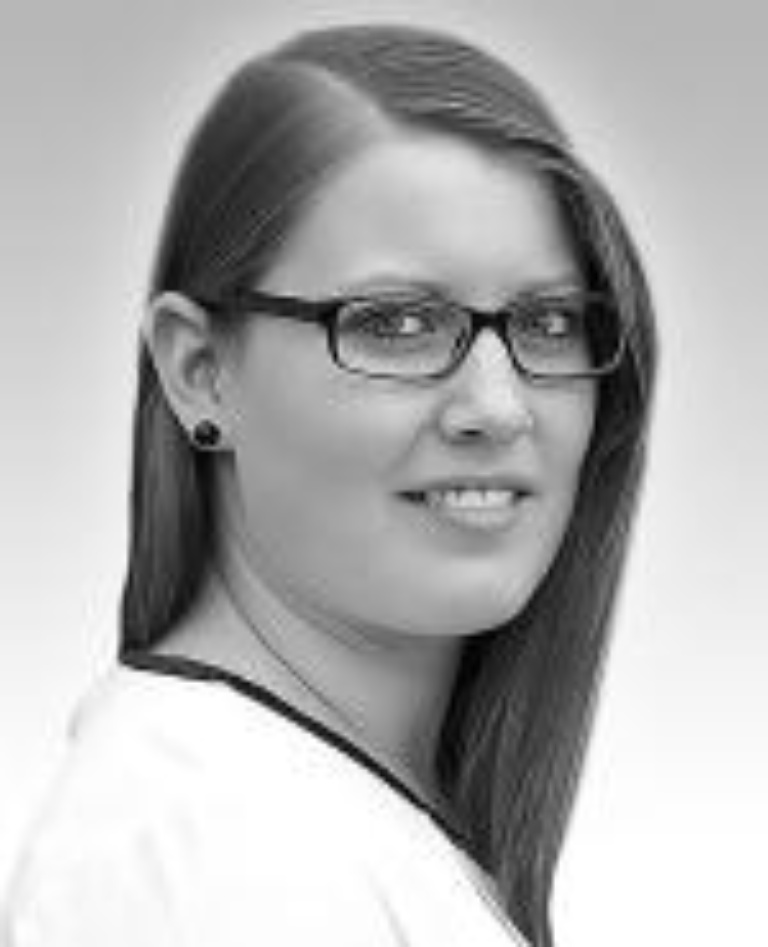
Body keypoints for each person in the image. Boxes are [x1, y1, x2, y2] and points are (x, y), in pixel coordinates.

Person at [1, 22, 656, 947]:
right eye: (396, 323)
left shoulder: (305, 818)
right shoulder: (218, 859)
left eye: (549, 323)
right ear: (199, 371)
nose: (498, 406)